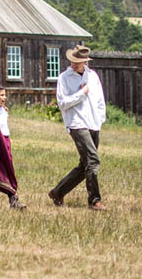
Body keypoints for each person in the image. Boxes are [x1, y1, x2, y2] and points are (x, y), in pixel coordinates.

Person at [48, 45, 107, 210]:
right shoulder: (64, 78)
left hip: (94, 123)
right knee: (93, 161)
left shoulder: (93, 76)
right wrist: (82, 93)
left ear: (85, 62)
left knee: (85, 165)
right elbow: (63, 103)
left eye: (78, 62)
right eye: (73, 61)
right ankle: (94, 200)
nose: (74, 64)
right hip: (77, 124)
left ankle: (58, 192)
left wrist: (100, 119)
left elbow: (100, 100)